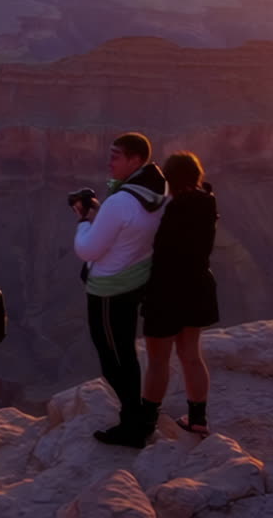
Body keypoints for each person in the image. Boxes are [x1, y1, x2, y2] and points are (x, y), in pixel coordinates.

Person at [73, 132, 167, 448]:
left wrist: (85, 220)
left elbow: (87, 249)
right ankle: (138, 418)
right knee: (124, 351)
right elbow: (127, 231)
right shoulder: (155, 190)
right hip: (133, 282)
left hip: (108, 292)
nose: (108, 161)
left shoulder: (121, 201)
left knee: (113, 357)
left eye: (116, 156)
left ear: (136, 160)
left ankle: (133, 424)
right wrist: (102, 216)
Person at [142, 151, 219, 440]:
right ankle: (198, 419)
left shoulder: (168, 210)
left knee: (158, 361)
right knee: (191, 355)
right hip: (197, 286)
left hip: (165, 291)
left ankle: (147, 421)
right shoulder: (207, 202)